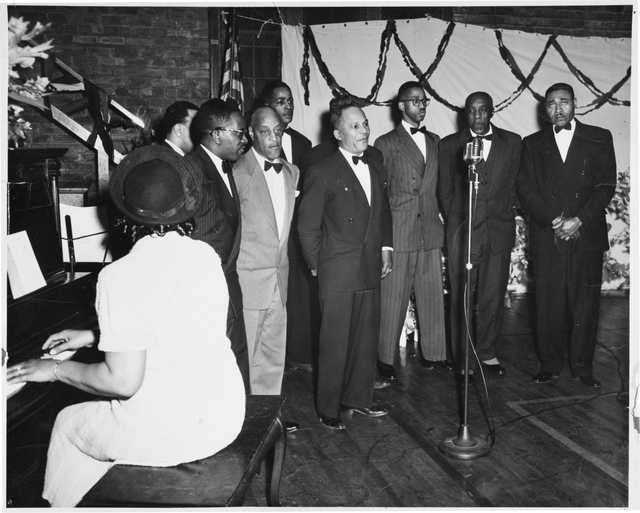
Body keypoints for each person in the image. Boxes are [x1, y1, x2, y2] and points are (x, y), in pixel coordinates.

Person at [7, 145, 246, 507]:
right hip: (223, 412)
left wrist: (55, 369)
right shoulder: (204, 255)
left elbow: (122, 383)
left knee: (68, 422)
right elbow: (174, 325)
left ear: (124, 216)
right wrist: (95, 335)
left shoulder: (120, 276)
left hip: (173, 432)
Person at [297, 97, 393, 430]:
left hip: (369, 265)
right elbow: (307, 226)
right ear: (338, 134)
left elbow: (383, 213)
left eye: (365, 123)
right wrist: (316, 266)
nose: (363, 129)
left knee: (365, 339)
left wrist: (386, 248)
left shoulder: (376, 164)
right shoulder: (322, 171)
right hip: (337, 269)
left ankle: (358, 398)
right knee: (335, 341)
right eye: (355, 125)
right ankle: (328, 407)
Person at [517, 82, 616, 388]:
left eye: (563, 102)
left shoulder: (599, 138)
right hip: (548, 235)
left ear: (575, 103)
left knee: (585, 303)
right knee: (547, 303)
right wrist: (555, 220)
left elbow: (605, 186)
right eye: (550, 104)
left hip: (586, 234)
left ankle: (583, 368)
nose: (557, 109)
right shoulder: (531, 143)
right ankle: (549, 364)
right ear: (544, 110)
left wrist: (579, 220)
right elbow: (526, 190)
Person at [438, 91, 521, 377]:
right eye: (472, 111)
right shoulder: (449, 145)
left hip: (497, 233)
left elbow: (515, 185)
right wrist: (460, 225)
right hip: (464, 235)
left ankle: (486, 352)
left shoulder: (512, 143)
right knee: (462, 295)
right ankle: (462, 357)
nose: (477, 116)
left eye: (483, 110)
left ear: (492, 111)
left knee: (491, 296)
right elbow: (445, 192)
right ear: (465, 114)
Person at [374, 81, 447, 388]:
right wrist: (384, 241)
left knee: (432, 297)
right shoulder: (385, 143)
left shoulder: (435, 140)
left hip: (430, 231)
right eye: (414, 101)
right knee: (393, 299)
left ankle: (435, 354)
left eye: (424, 100)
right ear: (401, 106)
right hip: (400, 231)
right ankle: (384, 360)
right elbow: (379, 194)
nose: (421, 105)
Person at [234, 106, 299, 397]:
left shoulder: (291, 172)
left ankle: (267, 416)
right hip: (248, 281)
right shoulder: (235, 171)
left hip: (279, 280)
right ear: (250, 133)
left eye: (278, 131)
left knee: (273, 358)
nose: (273, 139)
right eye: (265, 132)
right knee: (245, 360)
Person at [187, 99, 250, 389]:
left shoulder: (222, 167)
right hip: (206, 287)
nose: (244, 139)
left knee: (235, 360)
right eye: (239, 133)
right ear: (216, 134)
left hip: (226, 282)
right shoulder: (191, 170)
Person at [259, 81, 318, 372]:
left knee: (299, 294)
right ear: (268, 105)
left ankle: (298, 354)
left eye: (290, 101)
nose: (289, 106)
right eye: (281, 101)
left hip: (296, 233)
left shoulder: (304, 144)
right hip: (267, 234)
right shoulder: (254, 143)